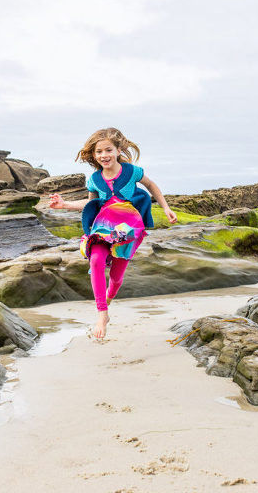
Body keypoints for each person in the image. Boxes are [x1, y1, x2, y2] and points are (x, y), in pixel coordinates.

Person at [49, 128, 177, 339]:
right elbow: (91, 202)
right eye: (99, 152)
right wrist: (65, 204)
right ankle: (102, 313)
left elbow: (151, 185)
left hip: (127, 229)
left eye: (108, 150)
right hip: (102, 226)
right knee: (96, 260)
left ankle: (110, 295)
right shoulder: (95, 179)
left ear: (118, 150)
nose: (103, 155)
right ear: (94, 155)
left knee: (116, 277)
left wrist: (165, 207)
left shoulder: (131, 172)